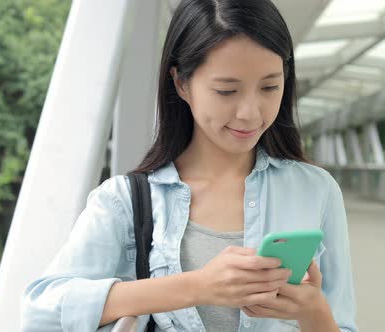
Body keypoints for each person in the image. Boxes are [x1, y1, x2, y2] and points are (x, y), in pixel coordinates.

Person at [20, 0, 357, 331]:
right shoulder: (126, 200)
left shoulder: (317, 190)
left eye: (270, 87)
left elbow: (342, 324)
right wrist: (198, 286)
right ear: (181, 83)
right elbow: (42, 309)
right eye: (227, 91)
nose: (251, 113)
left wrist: (313, 311)